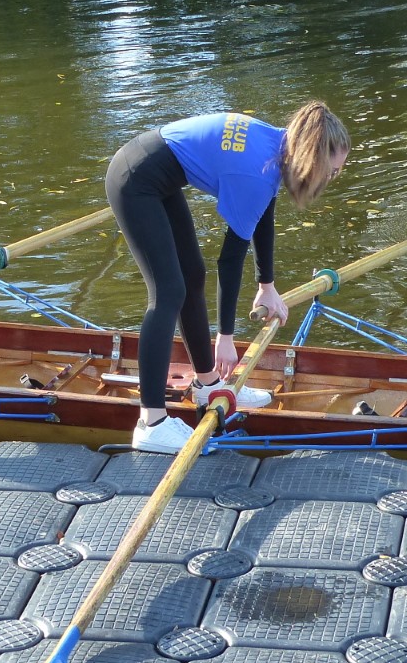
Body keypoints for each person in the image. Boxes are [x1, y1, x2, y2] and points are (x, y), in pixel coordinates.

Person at [106, 102, 351, 454]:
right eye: (332, 171)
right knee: (168, 292)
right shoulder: (255, 173)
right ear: (312, 156)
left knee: (192, 275)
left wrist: (267, 286)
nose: (331, 178)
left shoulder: (276, 146)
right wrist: (225, 336)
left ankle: (206, 384)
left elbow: (263, 217)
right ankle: (151, 423)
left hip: (155, 175)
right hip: (134, 180)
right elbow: (231, 258)